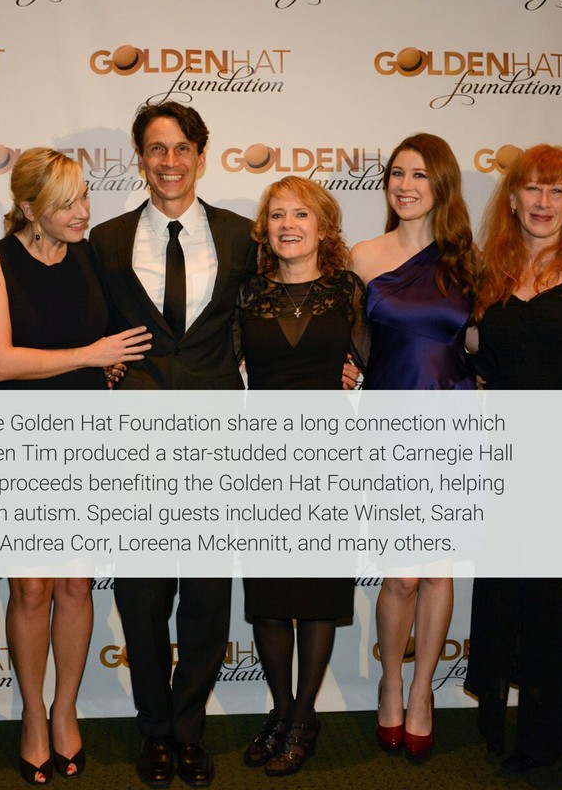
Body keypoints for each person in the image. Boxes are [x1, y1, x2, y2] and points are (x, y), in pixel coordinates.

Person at [0, 147, 150, 786]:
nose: (82, 212)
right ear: (28, 208)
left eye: (83, 198)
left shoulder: (89, 255)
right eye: (65, 204)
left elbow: (112, 340)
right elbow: (0, 362)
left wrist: (109, 363)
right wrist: (89, 354)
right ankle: (31, 715)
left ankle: (65, 709)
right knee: (31, 588)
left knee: (75, 585)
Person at [88, 102, 257, 788]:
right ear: (140, 158)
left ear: (201, 156)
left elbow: (278, 313)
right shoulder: (105, 240)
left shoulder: (244, 236)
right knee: (143, 595)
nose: (169, 161)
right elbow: (86, 325)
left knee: (208, 597)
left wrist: (337, 357)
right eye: (156, 148)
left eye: (181, 148)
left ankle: (189, 730)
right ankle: (153, 729)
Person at [350, 133, 477, 761]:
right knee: (400, 575)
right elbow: (350, 345)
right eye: (397, 174)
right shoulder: (363, 257)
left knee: (436, 571)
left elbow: (480, 344)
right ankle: (391, 682)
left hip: (452, 427)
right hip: (390, 429)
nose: (405, 186)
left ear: (442, 184)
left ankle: (424, 690)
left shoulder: (469, 263)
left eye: (420, 175)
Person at [239, 176, 367, 776]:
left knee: (317, 595)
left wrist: (358, 376)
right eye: (277, 215)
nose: (288, 225)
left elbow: (379, 359)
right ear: (264, 229)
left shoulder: (348, 291)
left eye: (301, 214)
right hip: (263, 459)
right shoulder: (246, 293)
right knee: (269, 597)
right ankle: (280, 709)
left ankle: (304, 717)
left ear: (324, 226)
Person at [465, 144, 562, 773]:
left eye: (556, 190)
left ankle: (548, 736)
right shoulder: (490, 275)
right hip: (507, 458)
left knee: (559, 600)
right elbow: (469, 356)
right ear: (511, 199)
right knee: (512, 595)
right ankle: (513, 730)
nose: (542, 202)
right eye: (532, 188)